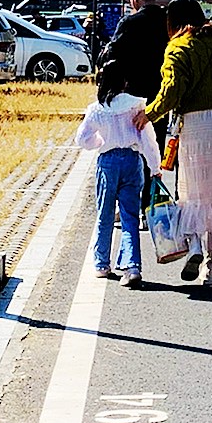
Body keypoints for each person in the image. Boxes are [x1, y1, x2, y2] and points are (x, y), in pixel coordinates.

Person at [137, 0, 212, 287]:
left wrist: (148, 114)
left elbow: (172, 90)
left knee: (193, 191)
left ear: (172, 22)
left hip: (200, 126)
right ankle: (210, 270)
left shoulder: (178, 46)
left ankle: (196, 248)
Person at [75, 58, 160, 289]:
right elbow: (148, 140)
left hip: (107, 162)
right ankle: (132, 266)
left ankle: (102, 263)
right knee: (130, 215)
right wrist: (155, 168)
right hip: (133, 161)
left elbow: (82, 139)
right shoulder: (136, 105)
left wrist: (100, 140)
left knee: (104, 214)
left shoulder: (97, 109)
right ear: (125, 81)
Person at [101, 0, 171, 149]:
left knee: (135, 149)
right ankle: (155, 176)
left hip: (134, 95)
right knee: (156, 147)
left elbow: (110, 54)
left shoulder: (130, 23)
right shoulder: (169, 21)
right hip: (163, 94)